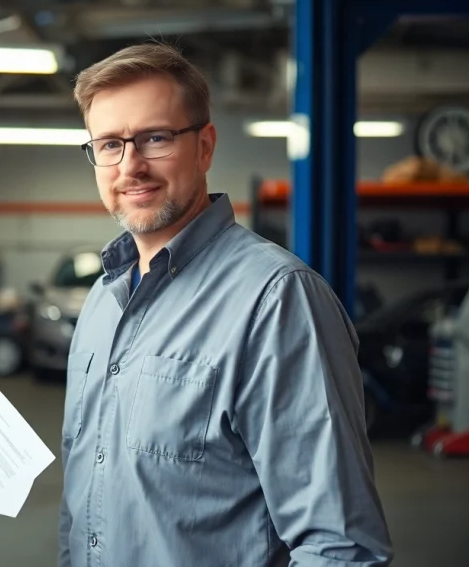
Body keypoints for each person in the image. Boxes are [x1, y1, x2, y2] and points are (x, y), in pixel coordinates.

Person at [57, 43, 394, 566]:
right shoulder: (102, 303)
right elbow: (83, 510)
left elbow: (340, 547)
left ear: (205, 146)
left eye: (156, 138)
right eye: (109, 145)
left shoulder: (276, 300)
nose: (132, 165)